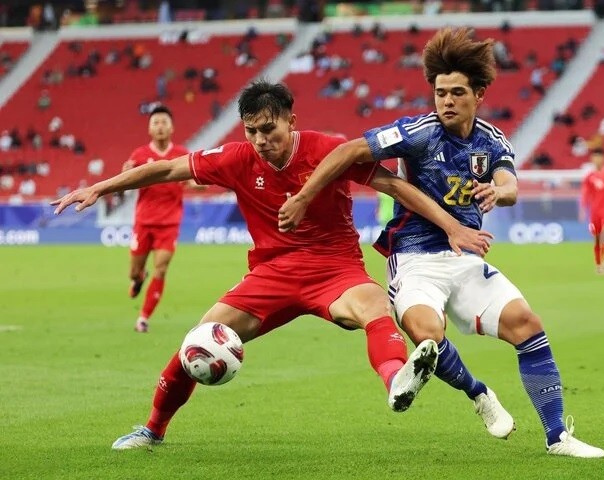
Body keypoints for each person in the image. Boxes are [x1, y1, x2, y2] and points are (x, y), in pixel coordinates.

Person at [52, 80, 493, 450]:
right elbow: (166, 170)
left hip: (334, 268)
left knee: (376, 306)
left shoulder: (328, 151)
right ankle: (152, 430)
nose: (261, 141)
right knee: (198, 341)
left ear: (291, 122)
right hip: (271, 273)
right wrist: (100, 188)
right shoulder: (236, 158)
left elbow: (395, 186)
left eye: (269, 129)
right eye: (252, 131)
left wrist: (452, 226)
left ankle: (398, 381)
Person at [279, 28, 604, 458]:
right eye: (439, 93)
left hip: (467, 258)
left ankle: (557, 437)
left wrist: (496, 191)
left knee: (528, 325)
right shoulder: (418, 132)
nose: (446, 101)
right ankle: (479, 394)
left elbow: (509, 183)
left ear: (479, 95)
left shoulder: (491, 140)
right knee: (427, 334)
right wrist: (304, 197)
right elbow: (348, 152)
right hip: (415, 257)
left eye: (456, 92)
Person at [123, 105, 200, 333]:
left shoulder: (181, 154)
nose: (160, 127)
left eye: (163, 122)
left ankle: (143, 318)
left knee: (162, 269)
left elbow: (193, 181)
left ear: (171, 127)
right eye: (155, 123)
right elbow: (125, 183)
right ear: (149, 128)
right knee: (134, 272)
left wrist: (201, 183)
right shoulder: (139, 156)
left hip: (170, 223)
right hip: (144, 222)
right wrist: (125, 173)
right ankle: (138, 278)